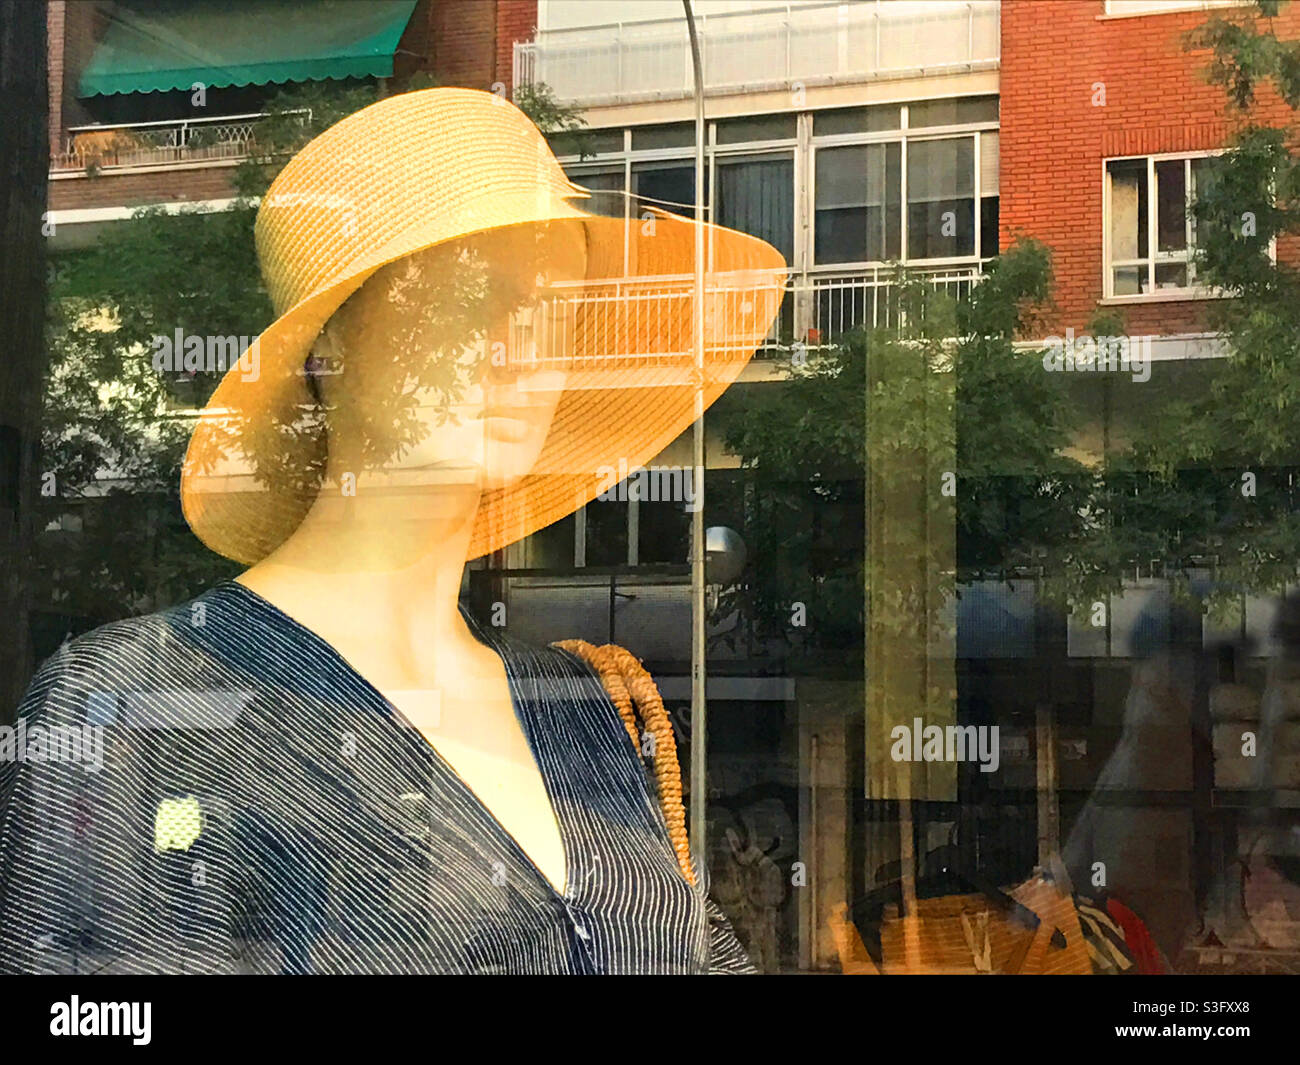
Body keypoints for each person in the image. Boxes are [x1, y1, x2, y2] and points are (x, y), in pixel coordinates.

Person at [0, 88, 785, 974]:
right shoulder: (138, 709)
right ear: (328, 346)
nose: (523, 343)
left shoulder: (589, 706)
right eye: (466, 299)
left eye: (554, 305)